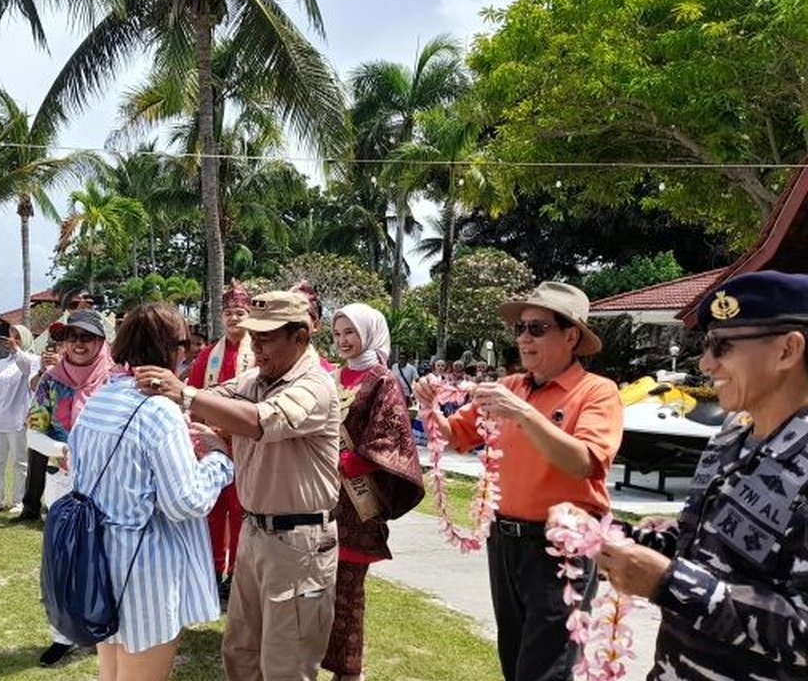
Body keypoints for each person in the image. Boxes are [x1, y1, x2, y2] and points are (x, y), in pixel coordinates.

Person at [551, 270, 808, 681]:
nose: (706, 364)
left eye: (722, 347)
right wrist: (608, 535)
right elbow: (701, 544)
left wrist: (669, 583)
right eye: (707, 346)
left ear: (787, 351)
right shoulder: (732, 436)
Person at [413, 281, 622, 681]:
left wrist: (525, 415)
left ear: (571, 336)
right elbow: (456, 435)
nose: (524, 338)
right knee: (515, 660)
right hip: (505, 542)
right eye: (520, 329)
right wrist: (427, 405)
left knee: (546, 669)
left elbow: (586, 463)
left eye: (537, 328)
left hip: (562, 547)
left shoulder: (597, 392)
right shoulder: (510, 388)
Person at [134, 291, 341, 681]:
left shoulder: (314, 386)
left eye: (266, 338)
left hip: (299, 545)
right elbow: (220, 396)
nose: (255, 347)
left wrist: (186, 393)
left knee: (286, 664)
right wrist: (177, 393)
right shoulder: (259, 377)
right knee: (241, 653)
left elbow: (261, 421)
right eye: (253, 337)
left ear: (300, 337)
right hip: (256, 533)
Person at [69, 303, 234, 680]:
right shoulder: (159, 410)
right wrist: (220, 461)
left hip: (100, 560)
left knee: (111, 672)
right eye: (185, 343)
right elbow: (185, 501)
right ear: (173, 349)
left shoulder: (102, 399)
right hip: (146, 570)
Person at [322, 304, 425, 681]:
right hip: (322, 496)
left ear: (369, 332)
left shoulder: (382, 380)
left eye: (350, 332)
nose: (343, 341)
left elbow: (389, 438)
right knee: (320, 589)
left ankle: (349, 672)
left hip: (356, 499)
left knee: (348, 593)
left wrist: (346, 461)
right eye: (337, 333)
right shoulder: (332, 377)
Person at [21, 308, 116, 666]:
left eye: (87, 337)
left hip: (109, 481)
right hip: (62, 481)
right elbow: (33, 430)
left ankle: (104, 627)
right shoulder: (50, 381)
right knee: (63, 558)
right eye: (71, 336)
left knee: (106, 557)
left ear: (101, 341)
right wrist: (63, 450)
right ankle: (62, 634)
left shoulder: (115, 379)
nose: (78, 344)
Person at [185, 278, 254, 605]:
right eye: (229, 313)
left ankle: (238, 574)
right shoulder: (207, 356)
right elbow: (193, 397)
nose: (234, 319)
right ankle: (212, 571)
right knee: (212, 511)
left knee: (242, 512)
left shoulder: (258, 354)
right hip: (212, 445)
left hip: (245, 447)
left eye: (240, 312)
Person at [0, 324, 40, 515]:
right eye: (10, 336)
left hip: (18, 419)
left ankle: (19, 500)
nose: (11, 340)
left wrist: (17, 350)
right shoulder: (2, 363)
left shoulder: (33, 360)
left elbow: (29, 372)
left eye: (17, 336)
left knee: (20, 462)